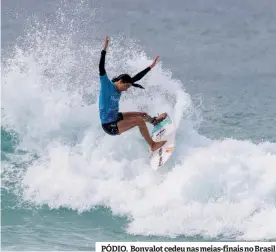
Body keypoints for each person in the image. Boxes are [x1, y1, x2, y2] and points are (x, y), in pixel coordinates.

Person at [99, 36, 167, 152]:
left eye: (128, 87)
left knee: (143, 115)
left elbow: (136, 78)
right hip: (110, 126)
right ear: (120, 82)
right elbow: (101, 68)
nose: (126, 90)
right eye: (126, 86)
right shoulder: (106, 85)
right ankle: (152, 145)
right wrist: (104, 49)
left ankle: (155, 122)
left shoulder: (123, 85)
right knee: (139, 121)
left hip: (116, 117)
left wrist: (150, 67)